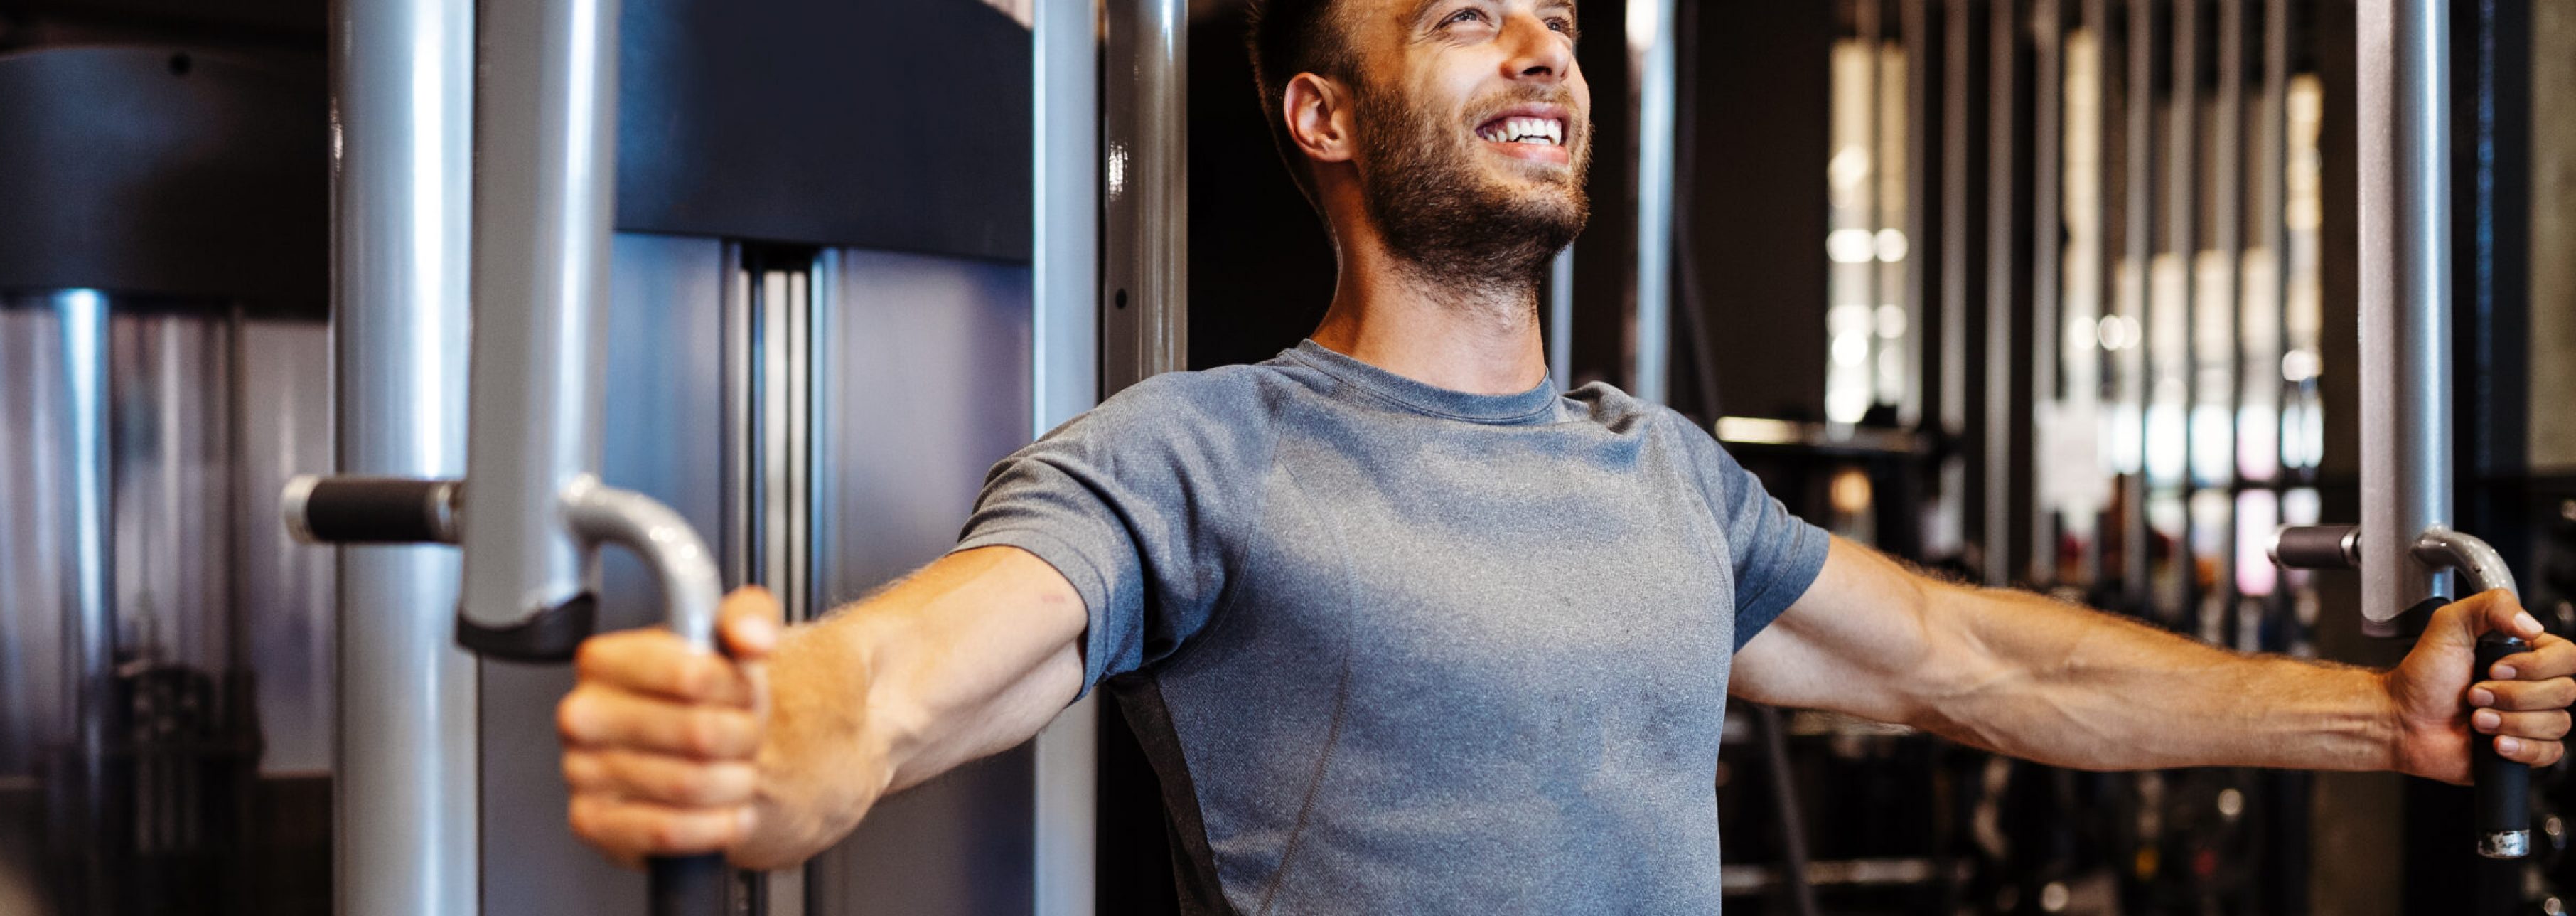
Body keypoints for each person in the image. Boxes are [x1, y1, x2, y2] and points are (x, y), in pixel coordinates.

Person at [551, 0, 2576, 910]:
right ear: (1325, 119)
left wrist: (2372, 720)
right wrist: (809, 717)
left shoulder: (1666, 475)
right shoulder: (1209, 450)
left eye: (1556, 23)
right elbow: (952, 652)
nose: (1544, 49)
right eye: (1464, 19)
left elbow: (1982, 663)